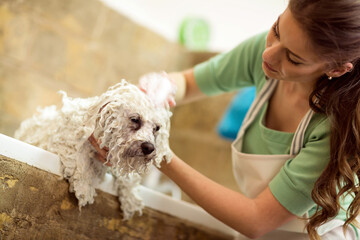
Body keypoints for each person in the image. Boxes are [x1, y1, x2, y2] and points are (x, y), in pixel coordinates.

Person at [90, 0, 360, 239]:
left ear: (335, 69)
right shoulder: (264, 53)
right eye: (276, 30)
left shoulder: (336, 128)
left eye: (293, 58)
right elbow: (186, 82)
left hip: (319, 232)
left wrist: (158, 154)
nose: (268, 55)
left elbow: (255, 220)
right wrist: (162, 86)